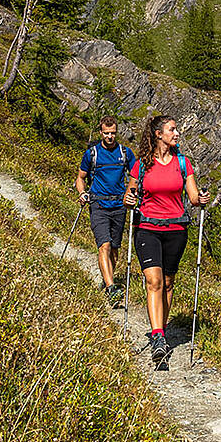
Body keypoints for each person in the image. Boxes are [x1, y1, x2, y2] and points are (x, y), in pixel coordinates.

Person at [124, 113, 209, 367]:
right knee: (154, 281)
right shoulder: (141, 165)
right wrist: (128, 200)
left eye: (176, 130)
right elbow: (131, 194)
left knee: (168, 282)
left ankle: (160, 326)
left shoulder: (183, 164)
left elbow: (193, 198)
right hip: (147, 227)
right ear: (158, 134)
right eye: (172, 130)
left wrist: (201, 199)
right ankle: (158, 336)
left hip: (176, 229)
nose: (177, 134)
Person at [76, 116, 131, 306]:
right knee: (104, 246)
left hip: (119, 206)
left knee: (114, 249)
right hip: (98, 205)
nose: (110, 136)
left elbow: (135, 176)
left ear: (117, 132)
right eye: (106, 133)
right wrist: (83, 193)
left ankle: (108, 281)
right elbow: (80, 178)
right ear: (101, 132)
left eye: (113, 133)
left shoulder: (125, 153)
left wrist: (133, 194)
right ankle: (111, 288)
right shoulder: (92, 154)